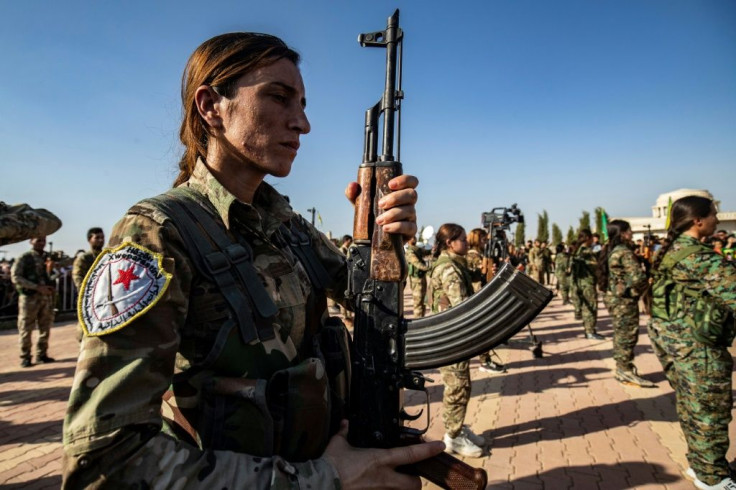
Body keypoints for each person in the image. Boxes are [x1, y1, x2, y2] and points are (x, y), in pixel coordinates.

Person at [62, 32, 442, 489]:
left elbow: (369, 297)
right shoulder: (158, 235)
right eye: (279, 98)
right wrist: (322, 480)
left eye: (302, 103)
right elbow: (107, 459)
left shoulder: (287, 226)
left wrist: (384, 237)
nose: (302, 123)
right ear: (210, 106)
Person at [647, 196, 736, 490]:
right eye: (714, 214)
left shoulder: (673, 250)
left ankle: (701, 467)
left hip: (677, 344)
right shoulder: (697, 256)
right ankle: (713, 478)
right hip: (698, 348)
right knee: (709, 411)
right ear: (698, 220)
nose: (717, 219)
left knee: (692, 408)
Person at [428, 223, 487, 457]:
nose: (466, 242)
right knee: (457, 387)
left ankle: (458, 428)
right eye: (462, 239)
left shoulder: (452, 264)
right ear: (450, 243)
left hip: (450, 336)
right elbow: (462, 308)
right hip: (450, 338)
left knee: (461, 385)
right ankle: (452, 437)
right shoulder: (450, 269)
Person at [598, 220, 654, 387]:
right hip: (624, 300)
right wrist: (640, 291)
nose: (632, 233)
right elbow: (638, 278)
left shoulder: (612, 250)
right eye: (629, 230)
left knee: (621, 333)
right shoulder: (624, 252)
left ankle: (623, 368)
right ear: (622, 233)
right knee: (627, 335)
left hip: (615, 298)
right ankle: (625, 370)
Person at [10, 236, 56, 367]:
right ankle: (25, 356)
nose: (41, 243)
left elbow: (53, 274)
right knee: (26, 327)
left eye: (43, 240)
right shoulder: (25, 258)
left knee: (45, 326)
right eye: (38, 240)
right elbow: (15, 277)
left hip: (45, 297)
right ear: (31, 241)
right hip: (29, 298)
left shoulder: (48, 258)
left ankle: (42, 354)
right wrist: (36, 287)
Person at [464, 228, 505, 373]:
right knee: (483, 330)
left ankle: (485, 359)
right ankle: (484, 361)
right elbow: (473, 279)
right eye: (483, 239)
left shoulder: (480, 255)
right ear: (476, 239)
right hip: (477, 296)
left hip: (481, 294)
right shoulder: (472, 256)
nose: (486, 242)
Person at [71, 227, 105, 342]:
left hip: (103, 298)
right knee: (84, 325)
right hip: (88, 298)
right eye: (97, 238)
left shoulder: (106, 256)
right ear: (90, 239)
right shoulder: (84, 258)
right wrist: (87, 293)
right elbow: (77, 276)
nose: (101, 240)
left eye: (102, 237)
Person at [569, 228, 603, 340]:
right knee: (590, 308)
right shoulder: (586, 251)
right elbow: (595, 265)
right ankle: (590, 332)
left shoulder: (576, 250)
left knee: (585, 307)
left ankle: (588, 330)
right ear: (588, 238)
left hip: (579, 284)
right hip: (587, 283)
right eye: (592, 237)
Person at [405, 234, 430, 318]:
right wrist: (428, 268)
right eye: (412, 237)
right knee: (418, 302)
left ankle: (422, 318)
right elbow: (417, 264)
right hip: (416, 280)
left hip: (422, 278)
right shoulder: (410, 252)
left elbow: (426, 252)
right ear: (408, 240)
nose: (414, 238)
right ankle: (418, 320)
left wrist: (432, 250)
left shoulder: (417, 249)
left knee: (423, 301)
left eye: (414, 237)